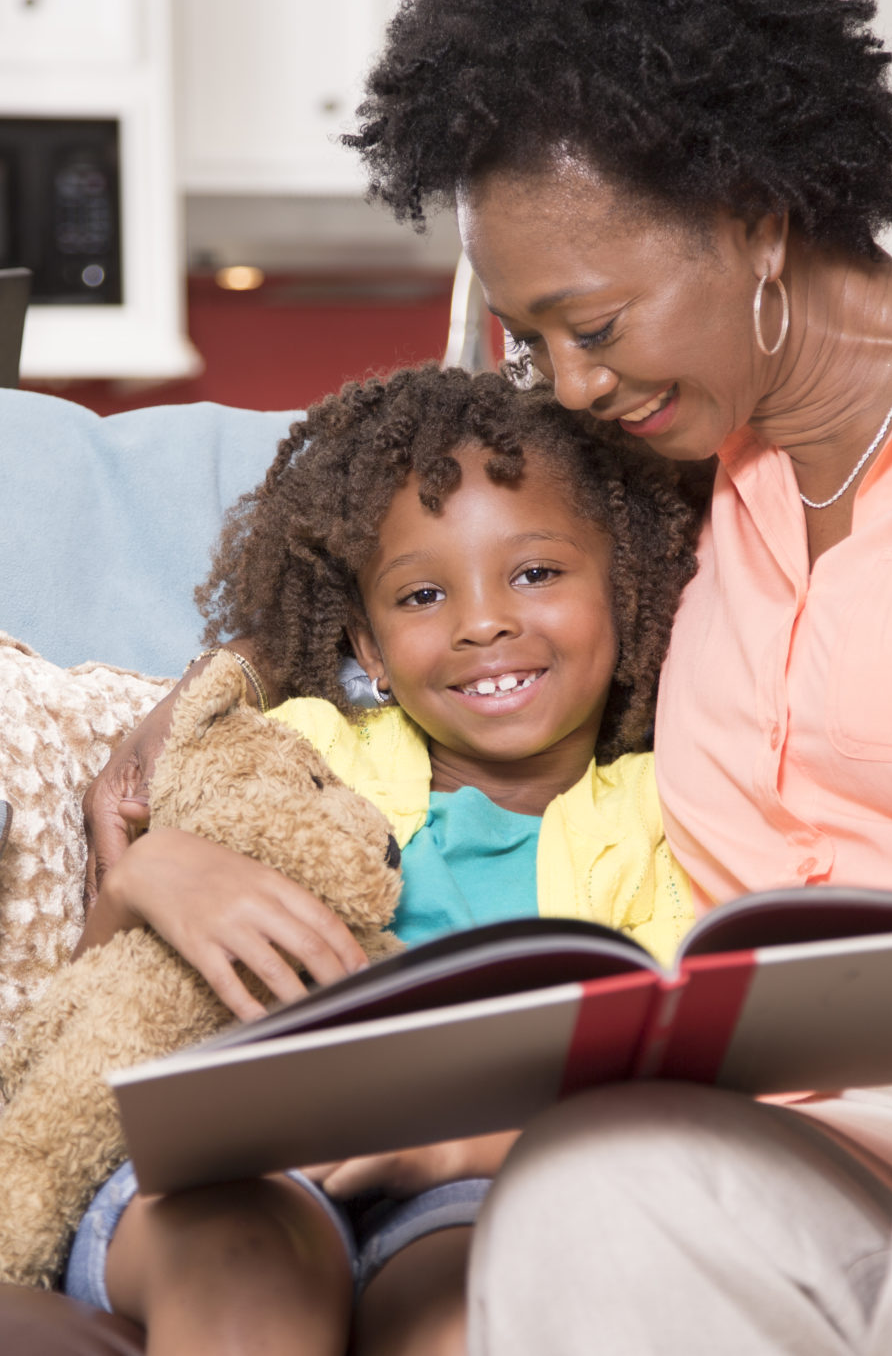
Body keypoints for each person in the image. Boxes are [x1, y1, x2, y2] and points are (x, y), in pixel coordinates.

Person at [87, 0, 892, 1351]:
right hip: (870, 1116)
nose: (566, 382)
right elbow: (409, 540)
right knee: (594, 1190)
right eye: (529, 339)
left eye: (597, 324)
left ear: (754, 218)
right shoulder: (692, 469)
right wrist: (201, 701)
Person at [65, 365, 702, 1355]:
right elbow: (100, 1008)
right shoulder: (298, 751)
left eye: (533, 573)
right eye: (420, 594)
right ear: (366, 641)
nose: (481, 623)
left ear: (621, 592)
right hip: (238, 1171)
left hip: (469, 1183)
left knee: (466, 1298)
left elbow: (668, 1094)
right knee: (251, 1255)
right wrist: (147, 874)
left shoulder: (668, 813)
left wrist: (436, 1151)